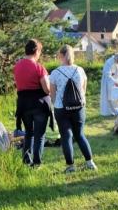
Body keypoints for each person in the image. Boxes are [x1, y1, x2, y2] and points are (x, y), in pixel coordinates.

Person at [50, 45, 97, 173]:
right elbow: (83, 89)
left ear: (61, 55)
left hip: (62, 108)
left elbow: (52, 93)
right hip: (78, 107)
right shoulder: (80, 70)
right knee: (80, 135)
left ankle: (70, 166)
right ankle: (90, 163)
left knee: (66, 136)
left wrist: (56, 104)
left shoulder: (55, 73)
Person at [13, 39, 54, 168]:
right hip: (39, 104)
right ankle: (36, 163)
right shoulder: (39, 68)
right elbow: (46, 89)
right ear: (36, 51)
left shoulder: (17, 66)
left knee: (28, 133)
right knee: (39, 135)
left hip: (23, 105)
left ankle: (26, 161)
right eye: (40, 51)